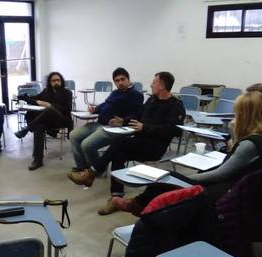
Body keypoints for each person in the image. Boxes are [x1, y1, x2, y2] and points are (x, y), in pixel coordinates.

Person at [116, 91, 262, 216]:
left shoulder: (249, 145)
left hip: (230, 192)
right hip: (237, 188)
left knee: (167, 179)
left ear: (246, 117)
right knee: (169, 178)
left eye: (236, 114)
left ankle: (140, 207)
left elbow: (220, 174)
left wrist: (185, 180)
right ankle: (139, 205)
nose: (233, 119)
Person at [68, 72, 186, 215]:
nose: (151, 84)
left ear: (161, 85)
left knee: (120, 142)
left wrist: (145, 128)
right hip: (139, 142)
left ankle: (92, 173)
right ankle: (116, 198)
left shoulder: (176, 105)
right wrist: (123, 121)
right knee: (118, 154)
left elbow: (175, 130)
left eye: (154, 82)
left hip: (154, 147)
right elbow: (138, 115)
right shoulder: (152, 100)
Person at [68, 67, 143, 174]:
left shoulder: (136, 95)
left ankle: (98, 170)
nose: (120, 82)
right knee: (73, 135)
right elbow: (106, 104)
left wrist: (124, 121)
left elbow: (138, 114)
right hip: (99, 124)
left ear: (128, 79)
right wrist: (95, 109)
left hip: (114, 129)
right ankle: (82, 166)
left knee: (86, 144)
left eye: (123, 79)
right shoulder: (115, 92)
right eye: (117, 81)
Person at [14, 72, 73, 170]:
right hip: (48, 120)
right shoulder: (46, 91)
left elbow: (67, 110)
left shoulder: (67, 93)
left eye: (58, 80)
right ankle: (38, 160)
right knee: (38, 127)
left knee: (49, 109)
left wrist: (50, 105)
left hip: (61, 119)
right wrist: (26, 98)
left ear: (61, 81)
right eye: (53, 81)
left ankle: (26, 129)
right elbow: (35, 99)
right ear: (50, 82)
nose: (56, 82)